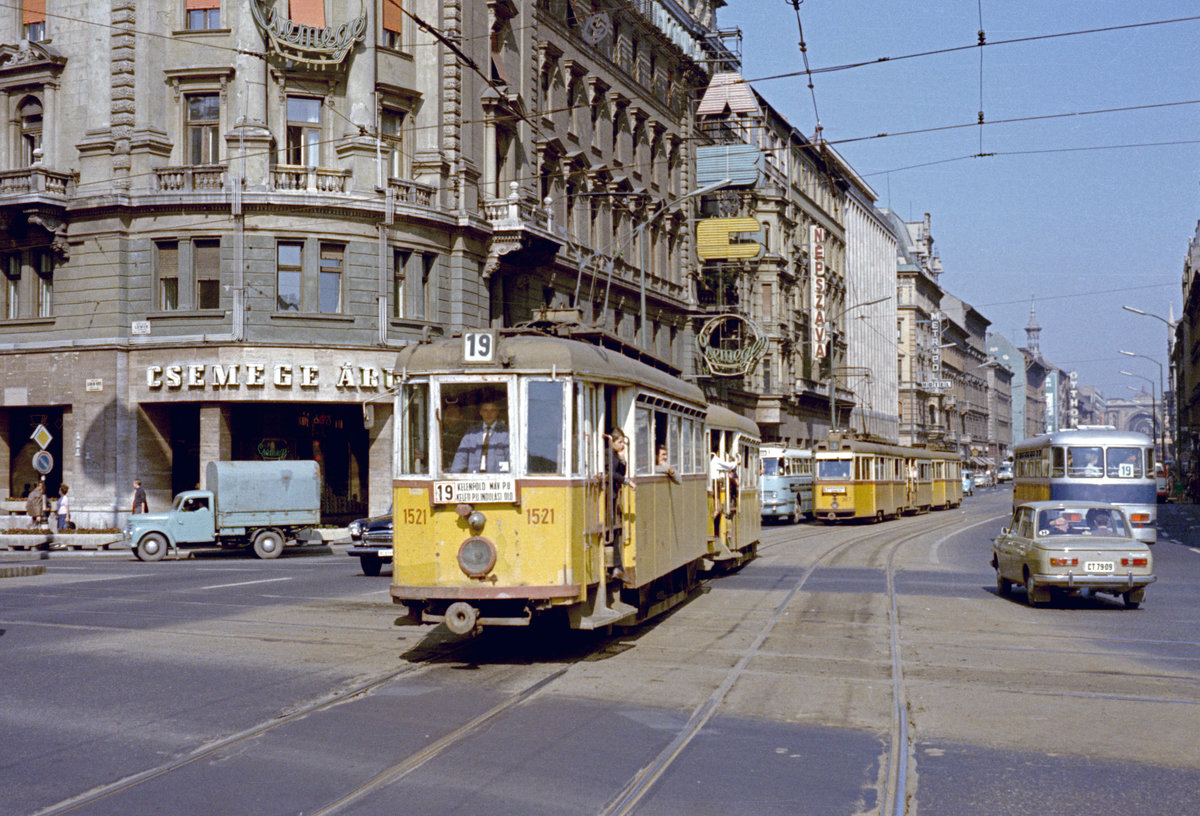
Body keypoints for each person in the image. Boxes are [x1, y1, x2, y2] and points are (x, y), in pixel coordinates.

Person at [451, 400, 510, 474]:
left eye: (493, 410)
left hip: (497, 481)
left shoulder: (506, 433)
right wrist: (453, 477)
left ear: (497, 412)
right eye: (485, 410)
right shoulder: (471, 433)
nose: (489, 414)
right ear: (480, 412)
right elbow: (460, 457)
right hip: (474, 481)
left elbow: (511, 460)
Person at [604, 430, 631, 582]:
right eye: (620, 442)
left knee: (615, 530)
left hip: (612, 495)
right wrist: (627, 481)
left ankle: (618, 567)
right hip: (609, 496)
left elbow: (620, 471)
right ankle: (617, 567)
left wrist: (622, 460)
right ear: (611, 441)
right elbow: (612, 473)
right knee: (613, 530)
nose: (622, 445)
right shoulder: (608, 454)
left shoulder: (614, 455)